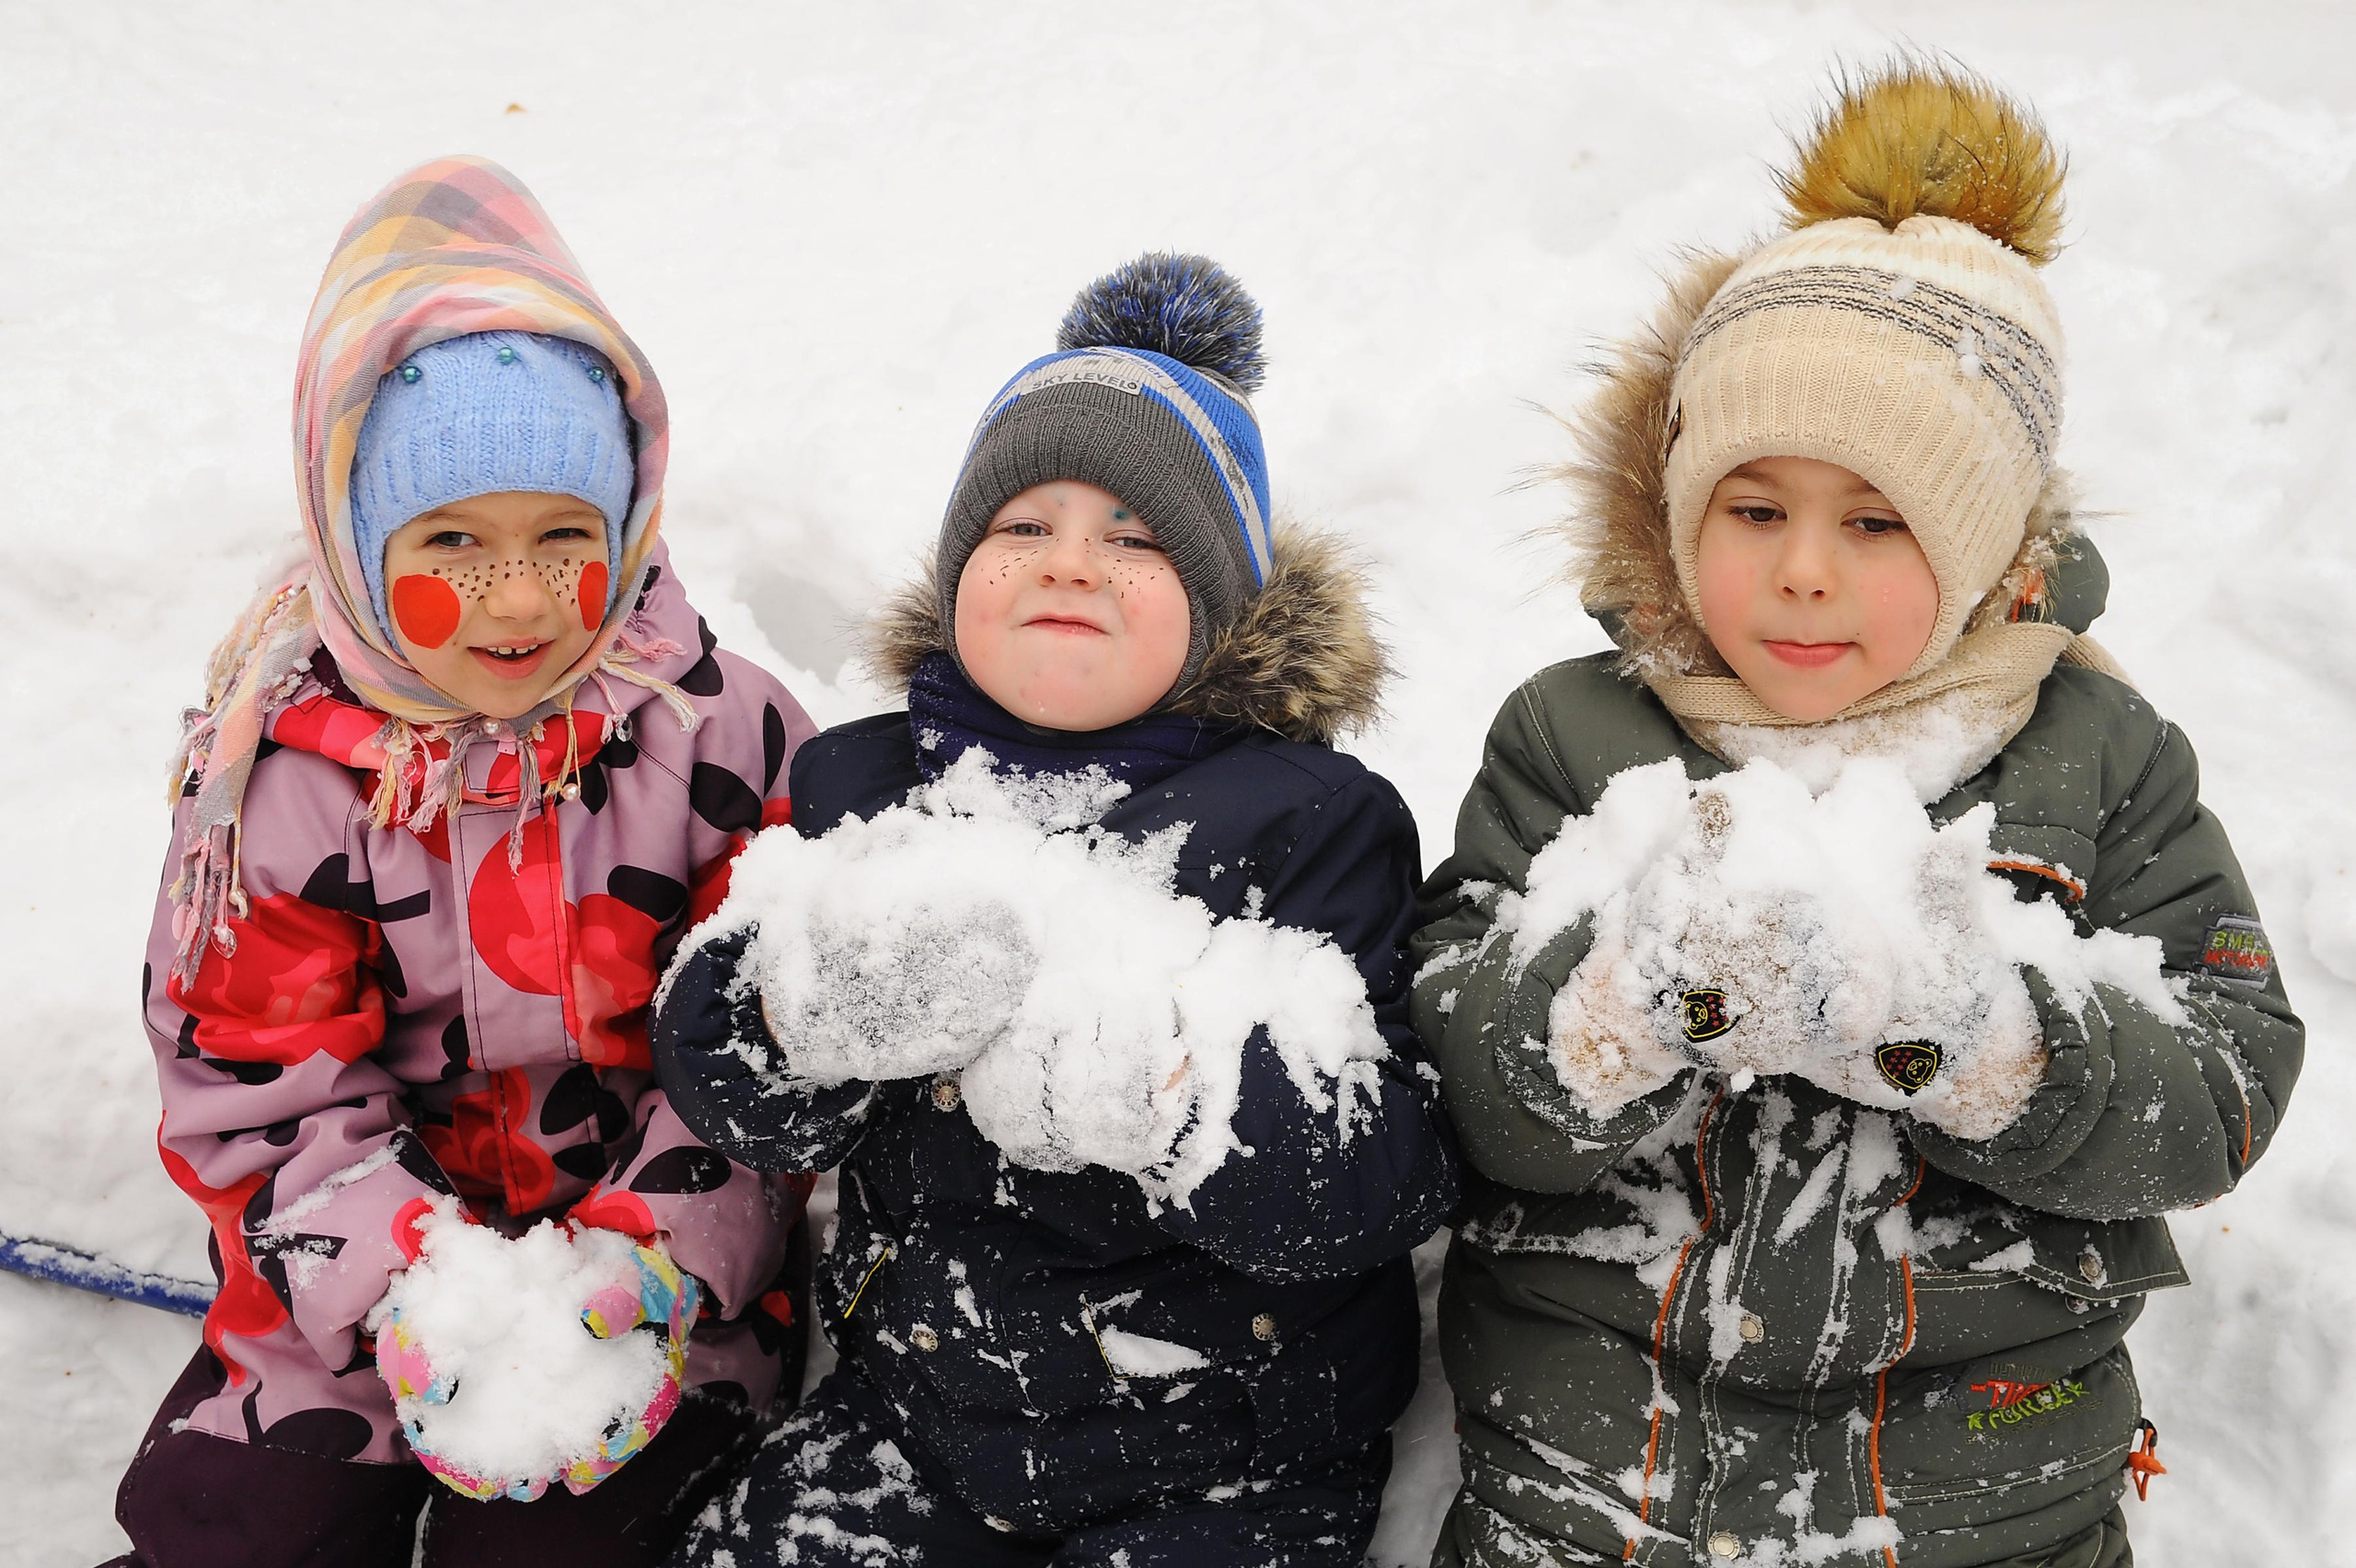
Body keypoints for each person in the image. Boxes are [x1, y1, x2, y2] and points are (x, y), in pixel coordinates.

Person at [1411, 63, 2303, 1568]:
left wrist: (1993, 1039)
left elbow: (2219, 1091)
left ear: (1981, 550)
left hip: (1986, 1502)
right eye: (1754, 510)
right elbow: (1457, 1070)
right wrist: (1617, 1004)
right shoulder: (1579, 736)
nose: (1804, 571)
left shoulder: (2098, 758)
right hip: (1591, 1492)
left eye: (1877, 521)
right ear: (1680, 511)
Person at [652, 254, 1460, 1567]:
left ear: (1221, 608)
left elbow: (1380, 1179)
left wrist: (1180, 1094)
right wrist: (799, 1017)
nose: (1070, 564)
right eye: (1022, 526)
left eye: (1136, 540)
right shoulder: (863, 787)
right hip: (910, 1420)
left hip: (1226, 1455)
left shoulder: (1308, 822)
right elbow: (726, 1079)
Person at [111, 156, 819, 1568]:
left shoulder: (722, 736)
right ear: (359, 544)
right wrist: (404, 1291)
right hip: (351, 1296)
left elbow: (778, 1046)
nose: (515, 598)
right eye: (452, 541)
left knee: (567, 1545)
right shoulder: (282, 778)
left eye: (566, 539)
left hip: (657, 1289)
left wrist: (648, 1270)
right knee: (241, 1537)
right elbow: (257, 1083)